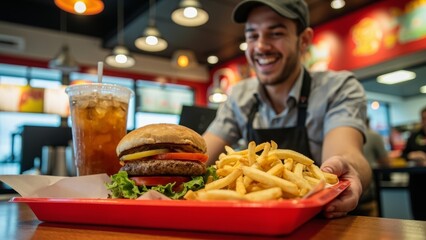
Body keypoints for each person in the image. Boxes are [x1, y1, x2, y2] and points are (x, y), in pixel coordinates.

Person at [203, 0, 372, 219]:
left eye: (275, 33)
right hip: (256, 222)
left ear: (303, 41)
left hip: (324, 221)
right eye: (252, 35)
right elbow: (202, 155)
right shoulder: (239, 95)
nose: (261, 46)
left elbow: (347, 152)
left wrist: (348, 168)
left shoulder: (339, 87)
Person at [352, 118, 390, 216]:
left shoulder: (340, 137)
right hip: (369, 190)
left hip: (346, 192)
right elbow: (385, 162)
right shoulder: (374, 136)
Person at [401, 106, 426, 220]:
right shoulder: (414, 135)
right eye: (423, 118)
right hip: (416, 181)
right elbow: (404, 154)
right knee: (419, 215)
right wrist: (411, 156)